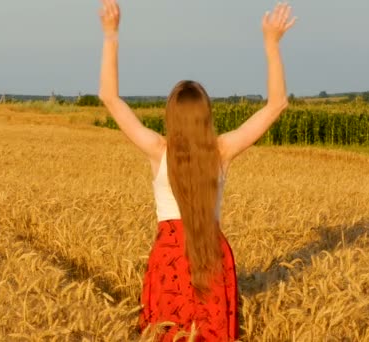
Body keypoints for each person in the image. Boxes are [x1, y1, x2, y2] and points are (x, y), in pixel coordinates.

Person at [97, 1, 296, 340]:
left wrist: (111, 35)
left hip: (169, 259)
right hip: (211, 256)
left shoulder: (158, 150)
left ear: (171, 116)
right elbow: (276, 104)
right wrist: (271, 45)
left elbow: (110, 98)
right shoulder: (222, 150)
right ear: (206, 116)